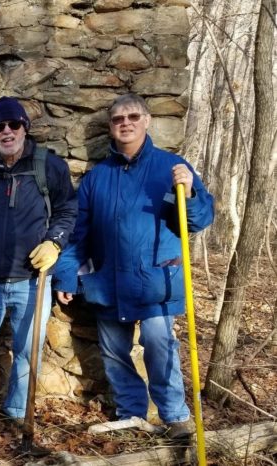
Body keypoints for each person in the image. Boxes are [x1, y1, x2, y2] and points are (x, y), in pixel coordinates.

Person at [53, 94, 214, 438]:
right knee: (114, 352)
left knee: (159, 344)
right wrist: (66, 273)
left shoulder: (172, 167)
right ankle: (131, 413)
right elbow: (79, 233)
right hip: (108, 280)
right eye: (117, 119)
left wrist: (189, 193)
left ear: (147, 120)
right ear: (110, 127)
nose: (125, 123)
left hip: (156, 280)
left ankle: (175, 418)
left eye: (132, 117)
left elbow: (199, 221)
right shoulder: (98, 178)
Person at [0, 97, 77, 426]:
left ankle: (19, 411)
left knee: (27, 350)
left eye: (13, 125)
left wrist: (55, 243)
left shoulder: (50, 167)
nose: (7, 132)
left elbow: (67, 211)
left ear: (24, 128)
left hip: (32, 279)